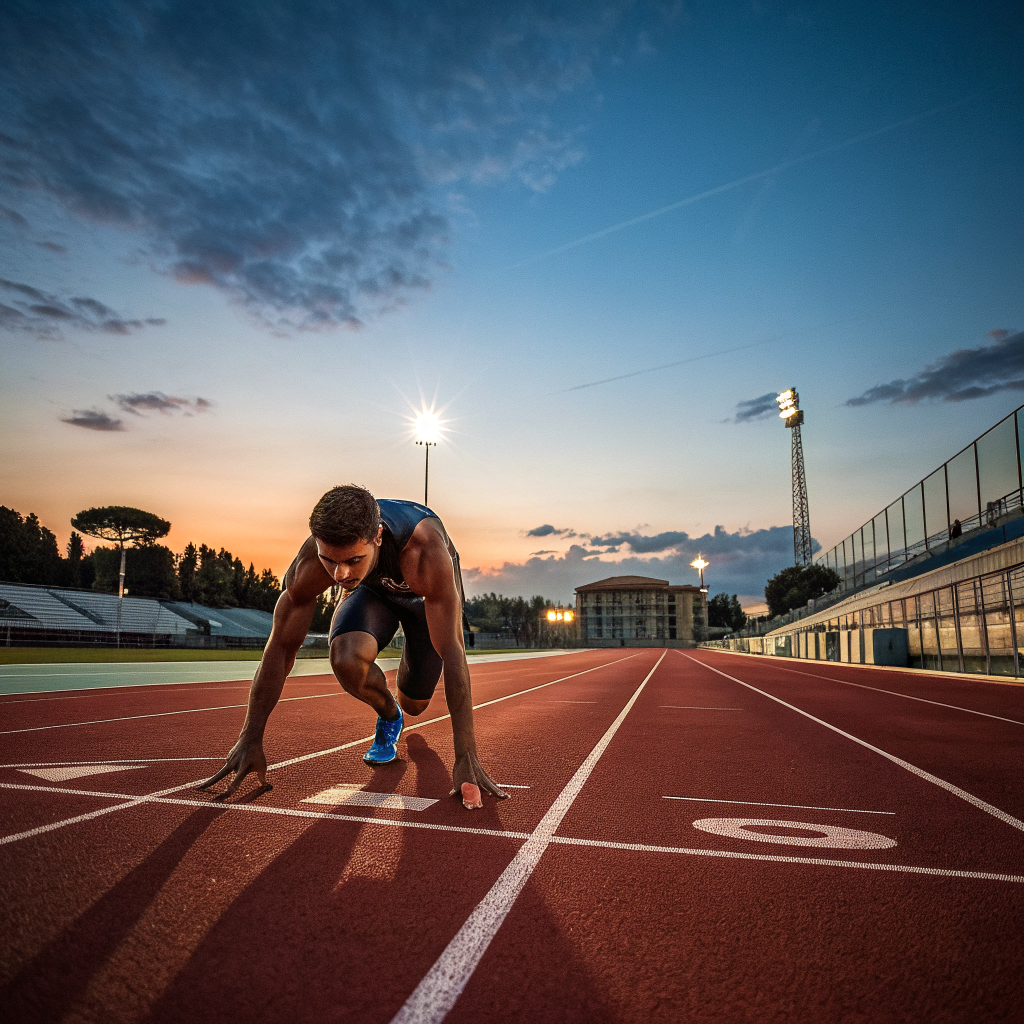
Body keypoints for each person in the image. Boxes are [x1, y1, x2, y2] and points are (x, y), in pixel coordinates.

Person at [199, 485, 507, 809]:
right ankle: (390, 715)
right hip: (373, 592)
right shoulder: (314, 563)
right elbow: (281, 646)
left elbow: (454, 651)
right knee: (346, 659)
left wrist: (466, 755)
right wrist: (250, 736)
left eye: (352, 560)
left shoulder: (425, 550)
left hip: (422, 601)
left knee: (416, 703)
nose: (340, 573)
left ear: (377, 536)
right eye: (329, 560)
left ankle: (409, 674)